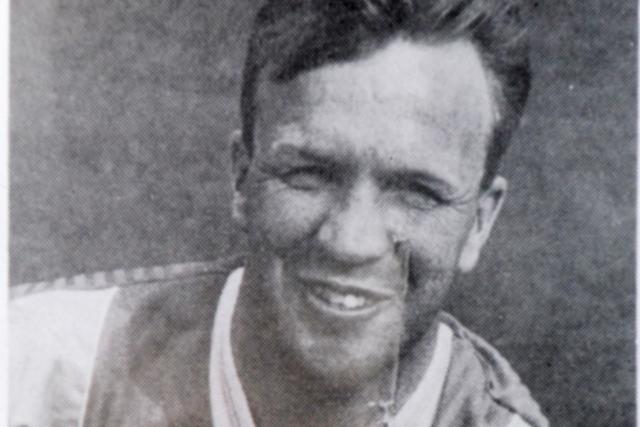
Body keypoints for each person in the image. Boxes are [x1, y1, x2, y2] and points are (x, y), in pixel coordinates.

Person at [10, 0, 550, 426]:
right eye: (308, 173)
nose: (351, 240)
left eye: (417, 191)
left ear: (480, 221)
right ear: (242, 178)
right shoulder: (42, 370)